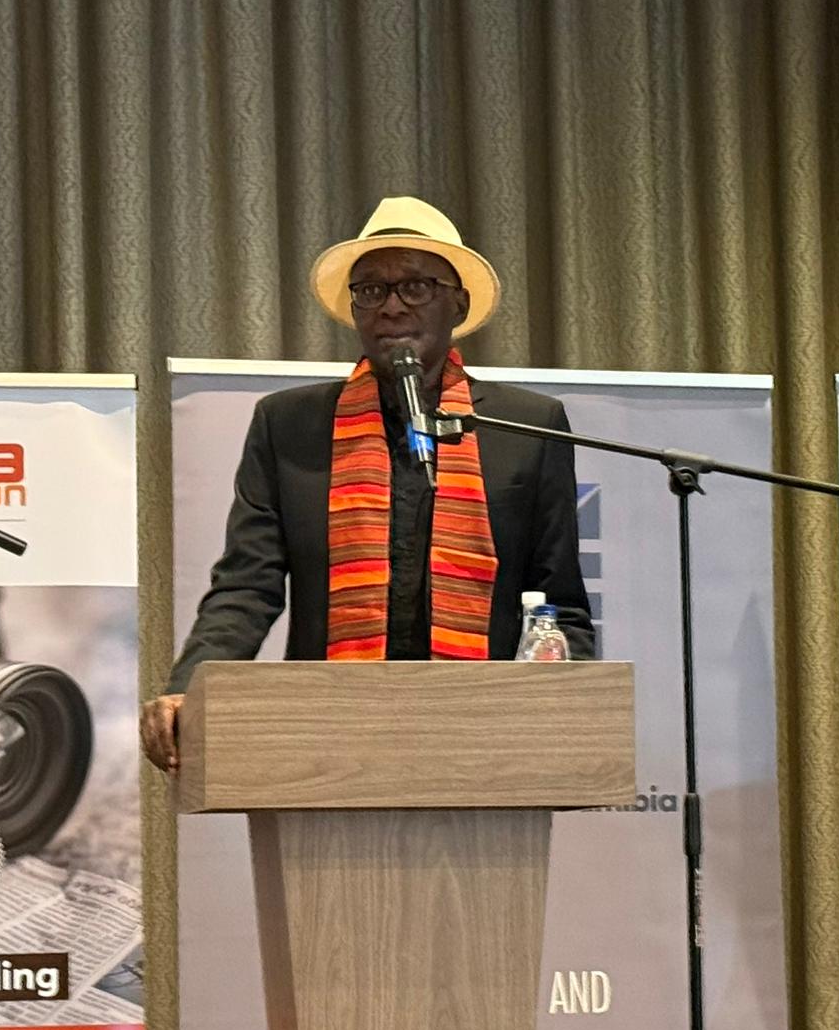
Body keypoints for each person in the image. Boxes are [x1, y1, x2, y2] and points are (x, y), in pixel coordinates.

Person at [142, 196, 595, 773]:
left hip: (484, 738)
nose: (391, 306)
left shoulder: (525, 426)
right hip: (328, 737)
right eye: (372, 290)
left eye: (416, 286)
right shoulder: (290, 425)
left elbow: (558, 602)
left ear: (458, 303)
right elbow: (247, 585)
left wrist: (566, 713)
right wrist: (189, 686)